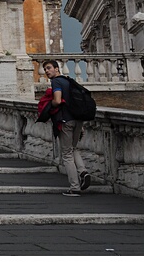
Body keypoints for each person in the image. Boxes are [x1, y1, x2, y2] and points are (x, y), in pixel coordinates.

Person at [42, 59, 91, 196]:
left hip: (66, 120)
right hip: (77, 120)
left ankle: (74, 187)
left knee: (67, 154)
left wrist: (48, 104)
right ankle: (83, 172)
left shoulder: (56, 82)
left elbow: (57, 100)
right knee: (73, 148)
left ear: (56, 69)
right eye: (45, 69)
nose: (46, 71)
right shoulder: (68, 80)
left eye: (49, 68)